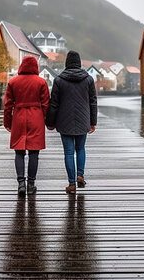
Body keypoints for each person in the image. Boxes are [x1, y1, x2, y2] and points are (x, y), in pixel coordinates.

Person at [46, 50, 98, 194]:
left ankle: (71, 184)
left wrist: (50, 122)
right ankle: (80, 175)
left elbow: (54, 104)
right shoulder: (88, 80)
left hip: (64, 121)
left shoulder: (58, 80)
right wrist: (93, 121)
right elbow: (93, 102)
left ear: (67, 63)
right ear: (79, 63)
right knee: (80, 148)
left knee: (69, 152)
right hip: (83, 120)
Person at [3, 56, 50, 196]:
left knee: (19, 152)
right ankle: (31, 185)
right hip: (36, 118)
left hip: (19, 117)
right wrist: (46, 120)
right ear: (35, 67)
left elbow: (7, 106)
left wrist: (8, 122)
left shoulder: (13, 82)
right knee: (34, 152)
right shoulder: (41, 82)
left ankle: (21, 184)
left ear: (22, 66)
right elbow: (46, 104)